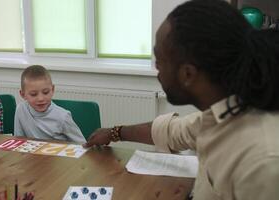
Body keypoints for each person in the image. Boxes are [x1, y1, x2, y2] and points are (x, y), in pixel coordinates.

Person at [84, 0, 279, 199]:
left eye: (159, 61)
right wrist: (115, 132)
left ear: (188, 74)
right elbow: (173, 131)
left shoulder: (262, 160)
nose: (157, 71)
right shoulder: (225, 111)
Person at [14, 65, 86, 143]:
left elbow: (82, 144)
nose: (41, 99)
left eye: (46, 92)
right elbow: (18, 141)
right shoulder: (20, 109)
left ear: (52, 89)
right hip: (31, 154)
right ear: (23, 95)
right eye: (33, 94)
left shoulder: (63, 117)